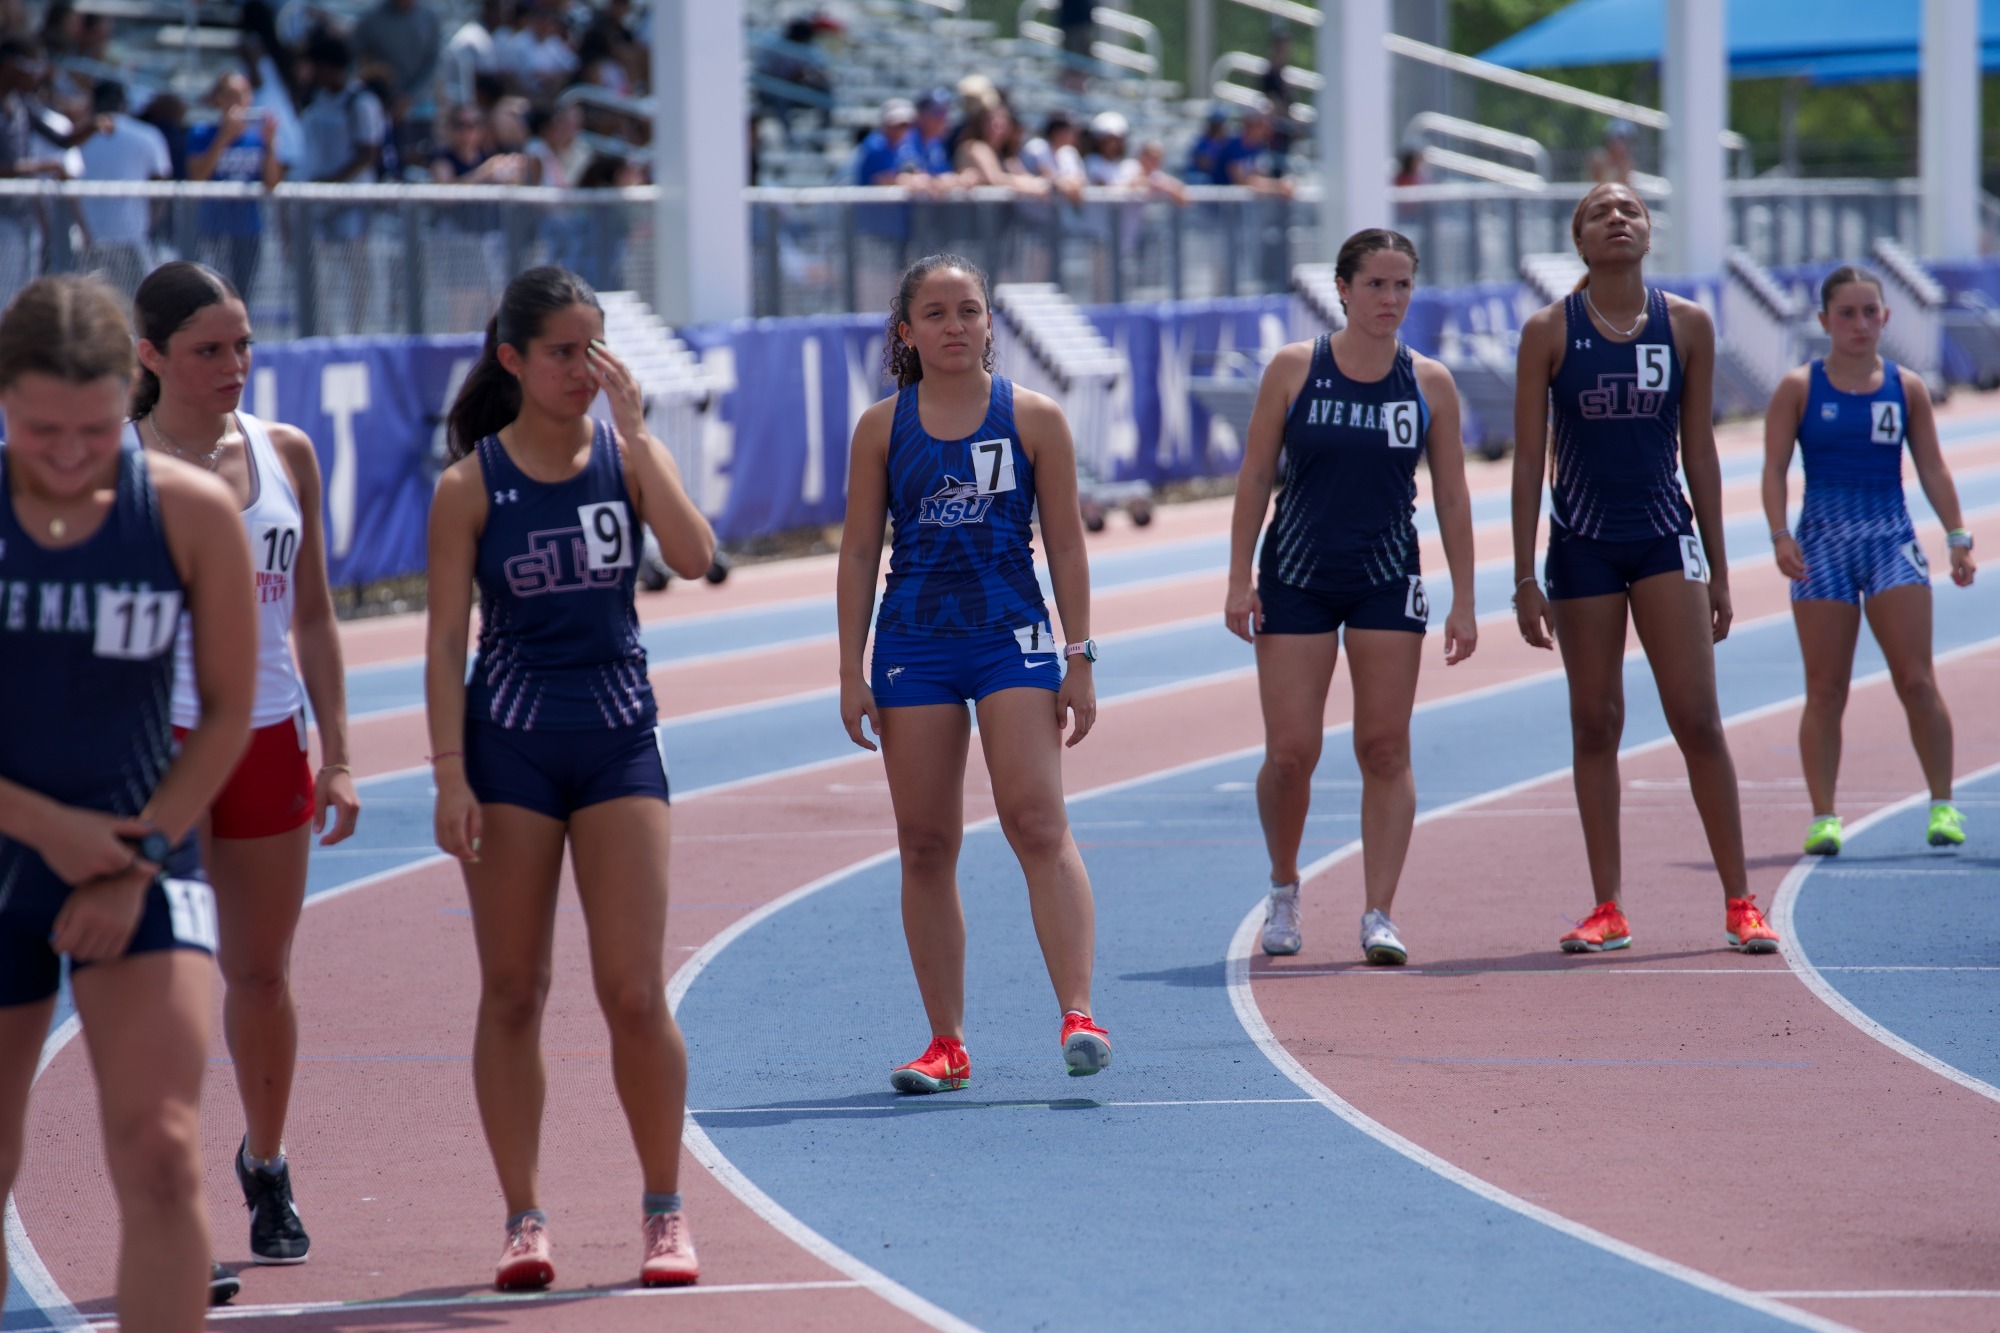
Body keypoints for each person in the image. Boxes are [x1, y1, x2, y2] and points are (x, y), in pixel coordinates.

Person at [426, 266, 714, 1292]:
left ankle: (663, 1210)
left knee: (634, 990)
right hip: (508, 746)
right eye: (562, 353)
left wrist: (640, 438)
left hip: (617, 740)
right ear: (513, 358)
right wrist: (448, 776)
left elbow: (693, 554)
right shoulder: (469, 486)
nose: (583, 372)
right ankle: (522, 1218)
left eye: (594, 351)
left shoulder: (623, 458)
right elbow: (442, 642)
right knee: (512, 989)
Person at [0, 274, 257, 1331]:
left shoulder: (187, 511)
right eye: (39, 429)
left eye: (95, 430)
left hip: (142, 857)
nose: (67, 454)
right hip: (14, 849)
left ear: (130, 396)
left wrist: (138, 852)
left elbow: (232, 708)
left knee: (159, 1150)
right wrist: (48, 830)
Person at [128, 259, 360, 1268]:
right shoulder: (114, 464)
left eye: (243, 344)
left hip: (268, 736)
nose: (234, 365)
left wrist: (341, 753)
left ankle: (265, 1162)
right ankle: (170, 1211)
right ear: (149, 356)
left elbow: (310, 611)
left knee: (259, 974)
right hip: (153, 746)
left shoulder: (285, 452)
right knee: (162, 984)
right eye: (207, 350)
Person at [836, 253, 1111, 1094]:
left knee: (1036, 819)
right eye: (935, 312)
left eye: (969, 309)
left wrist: (1081, 655)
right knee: (925, 842)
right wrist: (850, 669)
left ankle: (1077, 1013)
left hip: (1012, 635)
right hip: (914, 640)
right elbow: (856, 552)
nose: (954, 324)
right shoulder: (883, 428)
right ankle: (946, 1044)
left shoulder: (1035, 419)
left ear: (992, 322)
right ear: (907, 331)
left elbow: (1065, 542)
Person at [1511, 182, 1778, 955]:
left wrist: (1721, 570)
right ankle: (1608, 906)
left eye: (1630, 210)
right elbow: (1530, 460)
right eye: (1601, 213)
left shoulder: (1686, 325)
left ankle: (1739, 901)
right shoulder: (1547, 332)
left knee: (1697, 717)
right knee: (1596, 722)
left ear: (1649, 231)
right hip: (1582, 545)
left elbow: (1701, 449)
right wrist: (1526, 575)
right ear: (1580, 241)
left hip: (1667, 538)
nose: (1618, 219)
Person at [1226, 230, 1477, 964]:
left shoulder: (1429, 382)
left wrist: (1465, 596)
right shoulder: (1294, 369)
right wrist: (1238, 578)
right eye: (1375, 285)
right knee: (1291, 752)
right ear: (1342, 288)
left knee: (1385, 746)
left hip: (1386, 574)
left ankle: (1378, 913)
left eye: (1402, 286)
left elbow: (1454, 496)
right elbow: (1253, 477)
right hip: (1297, 574)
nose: (1389, 299)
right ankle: (1283, 887)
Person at [1762, 266, 1976, 853]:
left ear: (1886, 316)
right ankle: (1824, 815)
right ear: (1824, 320)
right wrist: (1780, 535)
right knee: (1826, 689)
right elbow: (1774, 469)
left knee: (1916, 679)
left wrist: (1956, 534)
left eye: (1870, 312)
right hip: (1822, 547)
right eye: (1848, 313)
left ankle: (1943, 804)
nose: (1860, 324)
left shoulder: (1905, 387)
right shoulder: (1799, 388)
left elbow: (1931, 465)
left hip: (1890, 542)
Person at [184, 73, 287, 301]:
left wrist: (270, 144)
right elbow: (197, 177)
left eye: (241, 95)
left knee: (242, 295)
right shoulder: (202, 133)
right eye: (229, 95)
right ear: (218, 99)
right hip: (212, 229)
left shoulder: (258, 137)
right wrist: (224, 137)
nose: (236, 102)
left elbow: (272, 183)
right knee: (211, 295)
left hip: (248, 230)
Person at [75, 81, 171, 296]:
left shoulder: (78, 136)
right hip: (130, 235)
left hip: (90, 237)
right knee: (138, 306)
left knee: (90, 311)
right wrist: (149, 224)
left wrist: (83, 228)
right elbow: (162, 187)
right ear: (124, 104)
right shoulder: (148, 134)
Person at [1588, 118, 1635, 186]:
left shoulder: (1627, 164)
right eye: (1619, 139)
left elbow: (1625, 186)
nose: (1622, 145)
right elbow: (1594, 185)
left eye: (1624, 141)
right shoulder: (1598, 159)